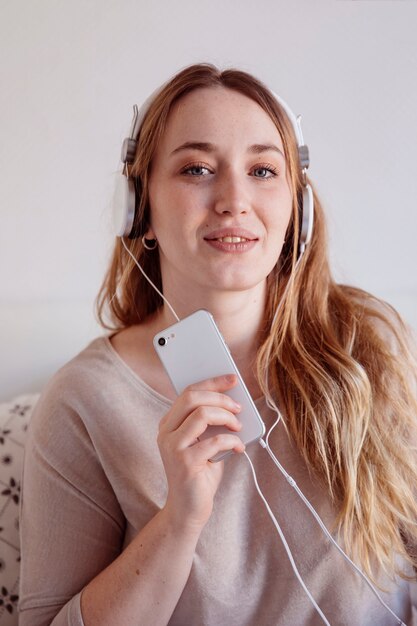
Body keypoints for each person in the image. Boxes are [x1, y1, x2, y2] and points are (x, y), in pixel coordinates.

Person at [19, 63, 417, 626]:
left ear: (295, 210)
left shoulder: (369, 345)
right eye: (197, 168)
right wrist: (179, 520)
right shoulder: (84, 401)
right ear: (139, 210)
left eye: (262, 169)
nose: (234, 199)